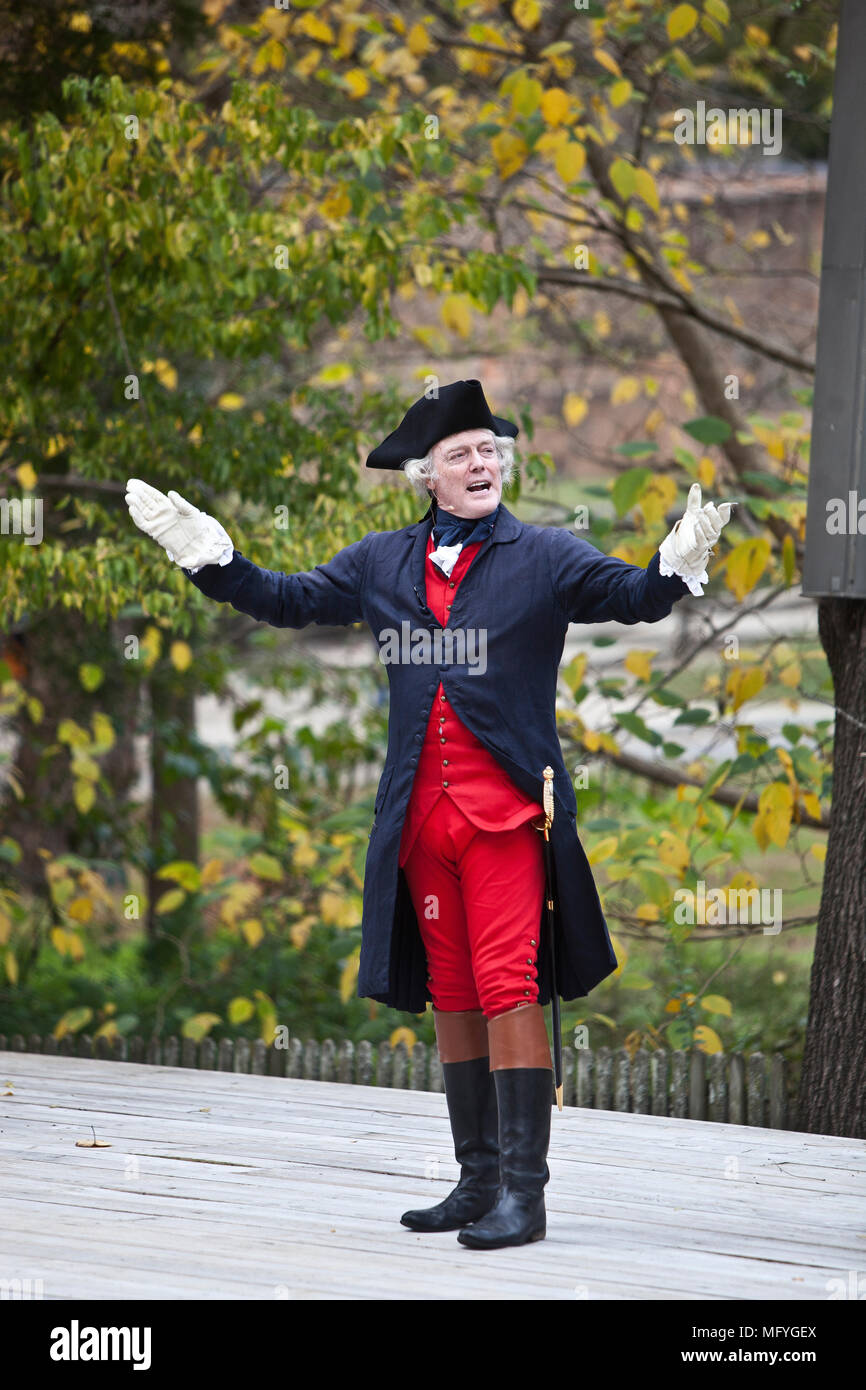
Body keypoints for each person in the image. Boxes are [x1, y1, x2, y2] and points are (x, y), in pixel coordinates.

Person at [126, 378, 732, 1250]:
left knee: (507, 984)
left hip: (507, 817)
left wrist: (671, 567)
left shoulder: (547, 555)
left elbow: (627, 595)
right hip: (420, 821)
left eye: (490, 451)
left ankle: (527, 1192)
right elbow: (290, 601)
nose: (482, 464)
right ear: (427, 476)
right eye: (462, 455)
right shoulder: (381, 562)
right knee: (453, 992)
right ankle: (477, 1179)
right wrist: (215, 562)